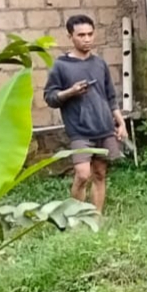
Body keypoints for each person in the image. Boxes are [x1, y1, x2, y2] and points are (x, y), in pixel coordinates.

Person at [43, 15, 126, 214]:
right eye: (81, 35)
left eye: (90, 34)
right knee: (82, 175)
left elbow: (110, 97)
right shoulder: (61, 66)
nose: (87, 39)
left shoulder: (99, 64)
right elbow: (50, 98)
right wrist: (70, 92)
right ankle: (77, 216)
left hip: (104, 128)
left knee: (99, 173)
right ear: (70, 36)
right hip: (79, 131)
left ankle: (95, 218)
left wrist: (121, 123)